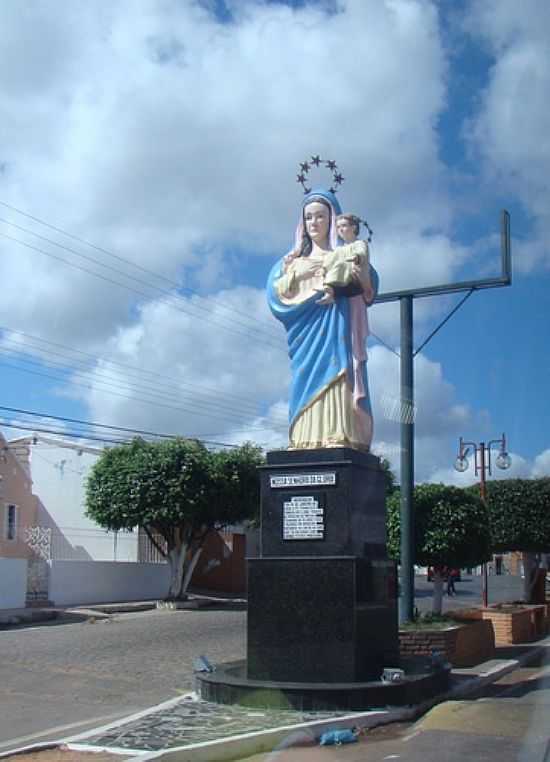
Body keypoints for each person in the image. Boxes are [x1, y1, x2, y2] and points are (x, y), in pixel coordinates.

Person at [267, 189, 378, 451]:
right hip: (306, 333)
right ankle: (305, 437)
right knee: (305, 377)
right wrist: (300, 275)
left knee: (339, 374)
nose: (314, 223)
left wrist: (353, 274)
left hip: (338, 328)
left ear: (333, 220)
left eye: (320, 216)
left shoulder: (346, 254)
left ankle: (339, 434)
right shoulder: (291, 262)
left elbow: (368, 287)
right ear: (302, 224)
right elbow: (277, 295)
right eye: (308, 218)